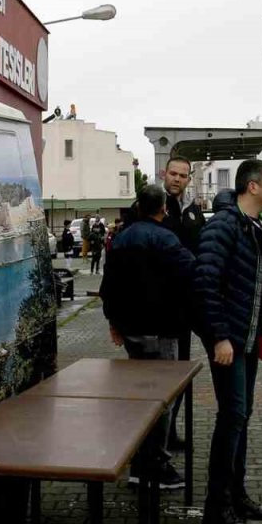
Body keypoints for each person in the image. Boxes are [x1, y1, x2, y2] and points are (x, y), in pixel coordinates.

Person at [193, 159, 262, 524]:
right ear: (252, 187)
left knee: (240, 418)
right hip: (230, 342)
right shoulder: (224, 226)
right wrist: (219, 337)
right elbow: (205, 283)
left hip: (247, 341)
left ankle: (236, 496)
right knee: (232, 419)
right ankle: (217, 513)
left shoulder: (257, 227)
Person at [99, 185, 192, 489]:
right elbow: (190, 273)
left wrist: (114, 321)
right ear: (163, 208)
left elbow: (108, 285)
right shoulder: (166, 238)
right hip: (162, 329)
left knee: (140, 397)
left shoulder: (121, 239)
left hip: (131, 331)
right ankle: (154, 464)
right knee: (161, 398)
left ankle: (140, 461)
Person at [157, 156, 206, 449]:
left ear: (189, 179)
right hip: (160, 309)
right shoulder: (154, 208)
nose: (177, 179)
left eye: (182, 175)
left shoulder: (189, 211)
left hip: (184, 307)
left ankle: (170, 434)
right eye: (173, 174)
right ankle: (155, 445)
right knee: (160, 378)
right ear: (165, 174)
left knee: (180, 374)